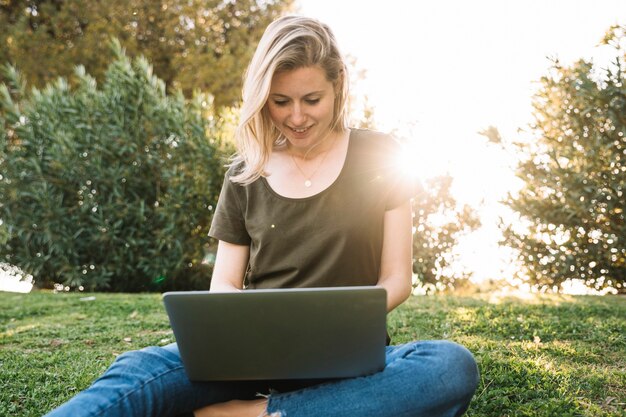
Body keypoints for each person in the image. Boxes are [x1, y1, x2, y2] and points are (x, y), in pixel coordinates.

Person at [45, 15, 479, 417]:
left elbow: (396, 278)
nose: (296, 117)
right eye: (280, 101)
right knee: (139, 368)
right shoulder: (244, 172)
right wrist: (256, 332)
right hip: (250, 356)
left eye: (312, 99)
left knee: (449, 366)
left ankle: (260, 412)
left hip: (348, 359)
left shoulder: (380, 154)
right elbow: (226, 283)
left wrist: (337, 321)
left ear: (338, 86)